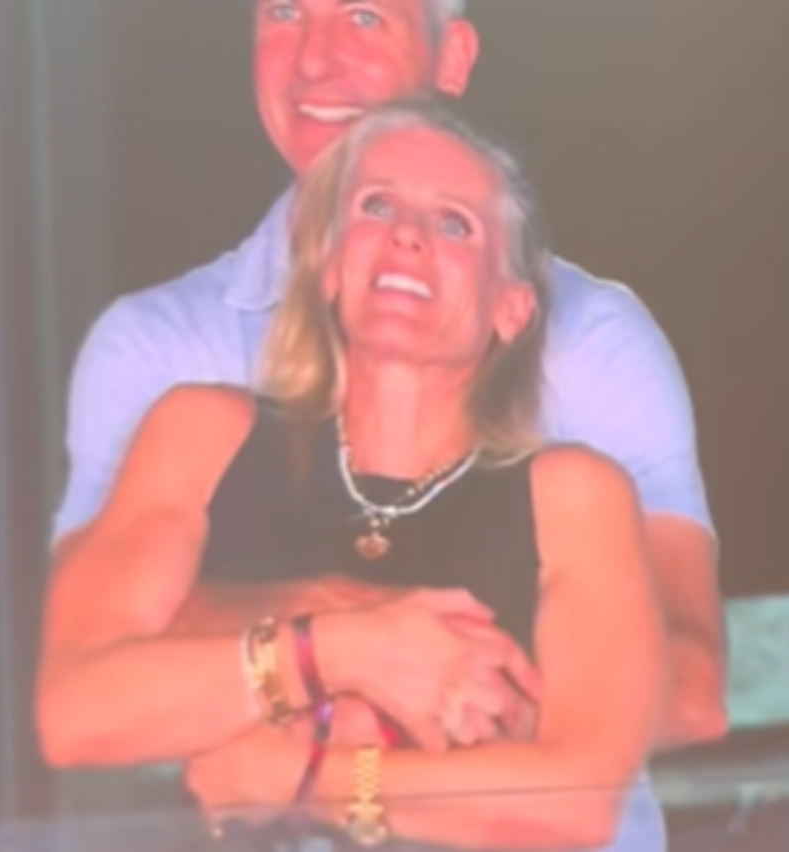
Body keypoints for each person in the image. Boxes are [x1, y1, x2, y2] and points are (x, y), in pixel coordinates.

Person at [51, 0, 725, 751]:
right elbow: (80, 665)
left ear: (452, 58)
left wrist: (377, 701)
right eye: (285, 12)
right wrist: (353, 635)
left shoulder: (591, 337)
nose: (313, 61)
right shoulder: (154, 347)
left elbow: (689, 690)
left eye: (364, 18)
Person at [38, 99, 668, 851]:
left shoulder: (572, 494)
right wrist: (345, 650)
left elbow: (575, 806)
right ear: (332, 267)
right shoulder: (202, 432)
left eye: (454, 224)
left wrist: (306, 777)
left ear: (512, 309)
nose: (407, 233)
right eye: (376, 205)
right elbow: (76, 713)